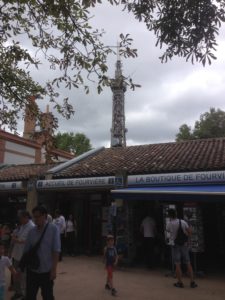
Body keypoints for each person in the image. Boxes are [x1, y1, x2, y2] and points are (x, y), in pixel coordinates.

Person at [24, 205, 60, 300]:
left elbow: (56, 250)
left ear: (44, 216)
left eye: (37, 216)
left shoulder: (53, 229)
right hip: (32, 270)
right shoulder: (31, 231)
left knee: (48, 296)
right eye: (34, 217)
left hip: (46, 272)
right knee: (30, 296)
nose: (35, 219)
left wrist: (54, 269)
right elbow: (26, 251)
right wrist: (21, 267)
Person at [166, 208, 197, 288]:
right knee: (188, 263)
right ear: (176, 214)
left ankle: (180, 282)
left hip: (175, 245)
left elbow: (168, 232)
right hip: (184, 245)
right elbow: (189, 232)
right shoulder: (182, 222)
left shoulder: (169, 224)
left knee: (177, 264)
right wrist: (187, 240)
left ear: (169, 215)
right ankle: (192, 282)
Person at [10, 210, 34, 300]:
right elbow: (17, 237)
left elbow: (27, 241)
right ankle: (18, 292)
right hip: (17, 254)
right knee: (16, 275)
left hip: (24, 256)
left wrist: (16, 239)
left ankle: (25, 295)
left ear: (26, 217)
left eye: (21, 217)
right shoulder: (22, 226)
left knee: (23, 276)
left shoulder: (31, 227)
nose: (19, 219)